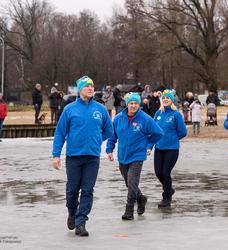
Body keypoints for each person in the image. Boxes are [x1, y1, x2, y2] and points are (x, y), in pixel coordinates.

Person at [52, 76, 113, 237]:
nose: (91, 88)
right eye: (87, 86)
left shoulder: (100, 109)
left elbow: (109, 130)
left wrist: (98, 139)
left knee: (87, 190)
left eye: (92, 86)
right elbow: (60, 133)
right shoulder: (70, 109)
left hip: (92, 157)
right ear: (80, 90)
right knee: (72, 191)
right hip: (74, 157)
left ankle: (81, 223)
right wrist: (56, 155)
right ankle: (72, 212)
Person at [106, 92, 163, 220]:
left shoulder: (145, 119)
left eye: (136, 103)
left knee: (132, 183)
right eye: (131, 103)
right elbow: (112, 136)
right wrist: (109, 149)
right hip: (123, 155)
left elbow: (158, 133)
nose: (133, 106)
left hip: (137, 155)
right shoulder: (118, 118)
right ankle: (141, 198)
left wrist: (148, 145)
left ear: (139, 105)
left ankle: (129, 209)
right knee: (129, 183)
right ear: (127, 104)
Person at [148, 89, 187, 207]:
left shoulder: (176, 115)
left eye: (168, 98)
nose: (165, 99)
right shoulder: (158, 114)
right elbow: (153, 132)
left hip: (172, 149)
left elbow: (183, 132)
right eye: (164, 98)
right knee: (158, 173)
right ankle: (169, 188)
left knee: (165, 173)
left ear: (172, 100)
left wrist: (172, 139)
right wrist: (150, 146)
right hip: (159, 148)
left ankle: (166, 197)